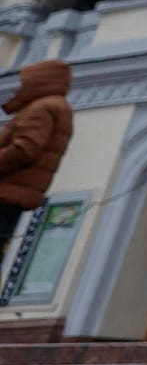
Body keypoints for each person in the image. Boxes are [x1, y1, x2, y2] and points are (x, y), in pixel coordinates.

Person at [0, 60, 74, 261]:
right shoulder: (56, 107)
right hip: (14, 195)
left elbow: (25, 149)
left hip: (5, 192)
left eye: (25, 81)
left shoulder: (40, 108)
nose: (20, 86)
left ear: (40, 82)